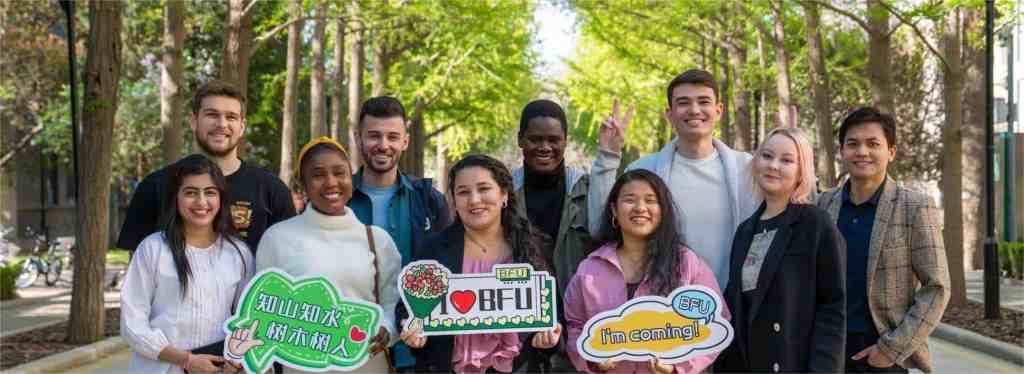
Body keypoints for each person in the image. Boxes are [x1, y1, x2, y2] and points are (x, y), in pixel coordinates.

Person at [589, 69, 757, 290]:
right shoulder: (643, 171)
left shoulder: (748, 169)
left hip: (738, 299)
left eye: (704, 101)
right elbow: (600, 227)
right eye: (683, 102)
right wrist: (607, 157)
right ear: (669, 114)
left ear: (718, 111)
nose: (694, 110)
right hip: (665, 302)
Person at [398, 155, 561, 373]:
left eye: (484, 189)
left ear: (504, 194)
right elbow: (407, 309)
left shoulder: (534, 248)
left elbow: (554, 315)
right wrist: (413, 331)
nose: (474, 200)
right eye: (463, 192)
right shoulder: (433, 251)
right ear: (454, 200)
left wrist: (549, 338)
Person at [817, 107, 950, 373]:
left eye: (873, 144)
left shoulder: (914, 207)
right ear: (842, 151)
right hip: (826, 348)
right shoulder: (822, 204)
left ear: (891, 151)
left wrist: (891, 349)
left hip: (880, 353)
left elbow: (937, 287)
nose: (862, 151)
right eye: (853, 144)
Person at [252, 137, 400, 373]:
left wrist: (386, 329)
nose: (331, 182)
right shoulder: (277, 239)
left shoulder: (377, 240)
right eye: (318, 175)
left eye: (339, 173)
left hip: (368, 367)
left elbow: (393, 305)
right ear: (304, 184)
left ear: (351, 178)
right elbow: (263, 316)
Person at [564, 169, 727, 374]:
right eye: (630, 200)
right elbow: (575, 325)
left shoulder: (686, 263)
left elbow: (716, 321)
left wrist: (677, 367)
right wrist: (592, 359)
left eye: (650, 200)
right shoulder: (590, 268)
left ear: (663, 209)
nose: (640, 208)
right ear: (614, 209)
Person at [716, 128, 845, 373]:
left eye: (786, 160)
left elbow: (832, 309)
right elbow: (736, 308)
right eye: (767, 156)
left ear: (801, 171)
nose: (773, 166)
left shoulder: (815, 224)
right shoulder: (745, 231)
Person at [118, 80, 296, 254]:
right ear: (193, 121)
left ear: (242, 127)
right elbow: (140, 265)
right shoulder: (155, 186)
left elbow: (288, 261)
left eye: (231, 117)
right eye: (212, 115)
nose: (222, 124)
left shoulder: (272, 190)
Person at [121, 154, 253, 374]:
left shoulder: (238, 254)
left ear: (221, 198)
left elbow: (247, 321)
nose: (201, 202)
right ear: (176, 197)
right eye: (191, 192)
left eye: (210, 192)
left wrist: (236, 360)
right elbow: (132, 324)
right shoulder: (153, 249)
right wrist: (187, 360)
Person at [347, 96, 451, 371]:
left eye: (393, 137)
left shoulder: (429, 201)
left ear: (405, 141)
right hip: (353, 350)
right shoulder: (338, 200)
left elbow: (449, 269)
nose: (383, 145)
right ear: (358, 138)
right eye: (374, 136)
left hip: (417, 352)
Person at [511, 99, 591, 370]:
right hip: (520, 335)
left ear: (565, 141)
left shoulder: (587, 191)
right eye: (535, 139)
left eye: (554, 139)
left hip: (577, 329)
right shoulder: (503, 194)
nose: (545, 147)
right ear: (520, 140)